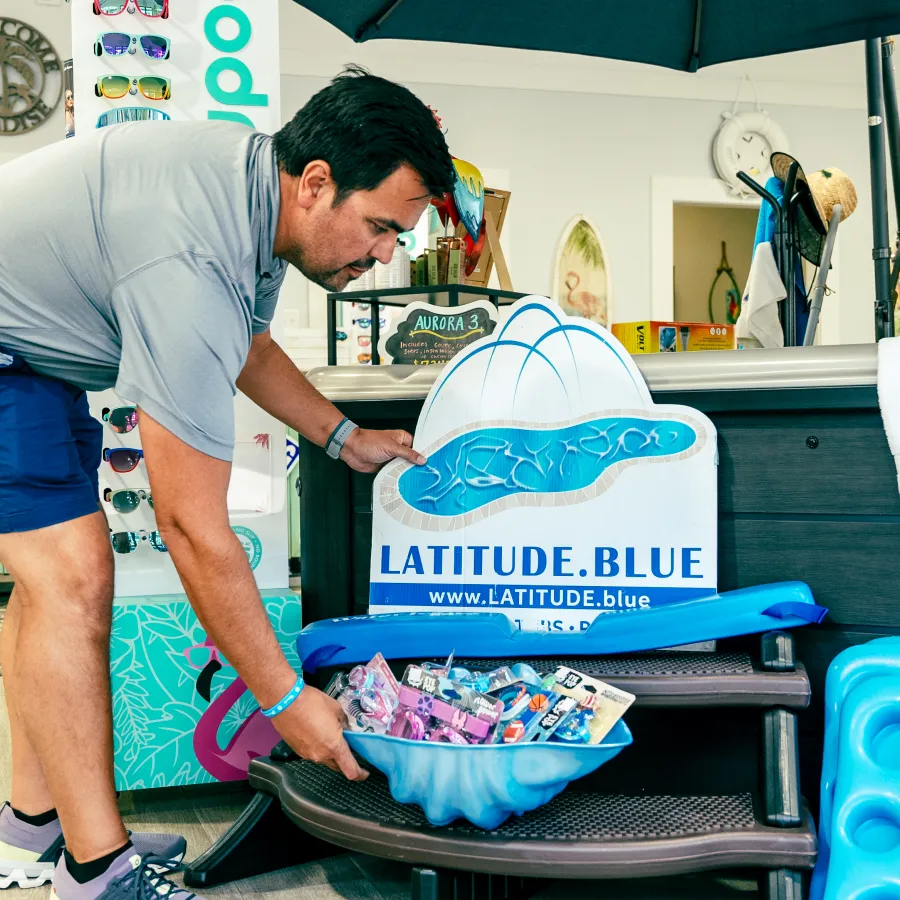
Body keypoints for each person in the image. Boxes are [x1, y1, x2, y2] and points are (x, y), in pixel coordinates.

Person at [0, 67, 455, 900]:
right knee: (71, 579)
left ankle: (34, 824)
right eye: (383, 227)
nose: (389, 253)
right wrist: (285, 700)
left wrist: (341, 434)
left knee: (47, 588)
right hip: (8, 350)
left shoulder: (255, 200)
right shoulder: (192, 248)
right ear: (317, 184)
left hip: (35, 354)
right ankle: (99, 873)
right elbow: (190, 524)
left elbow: (244, 343)